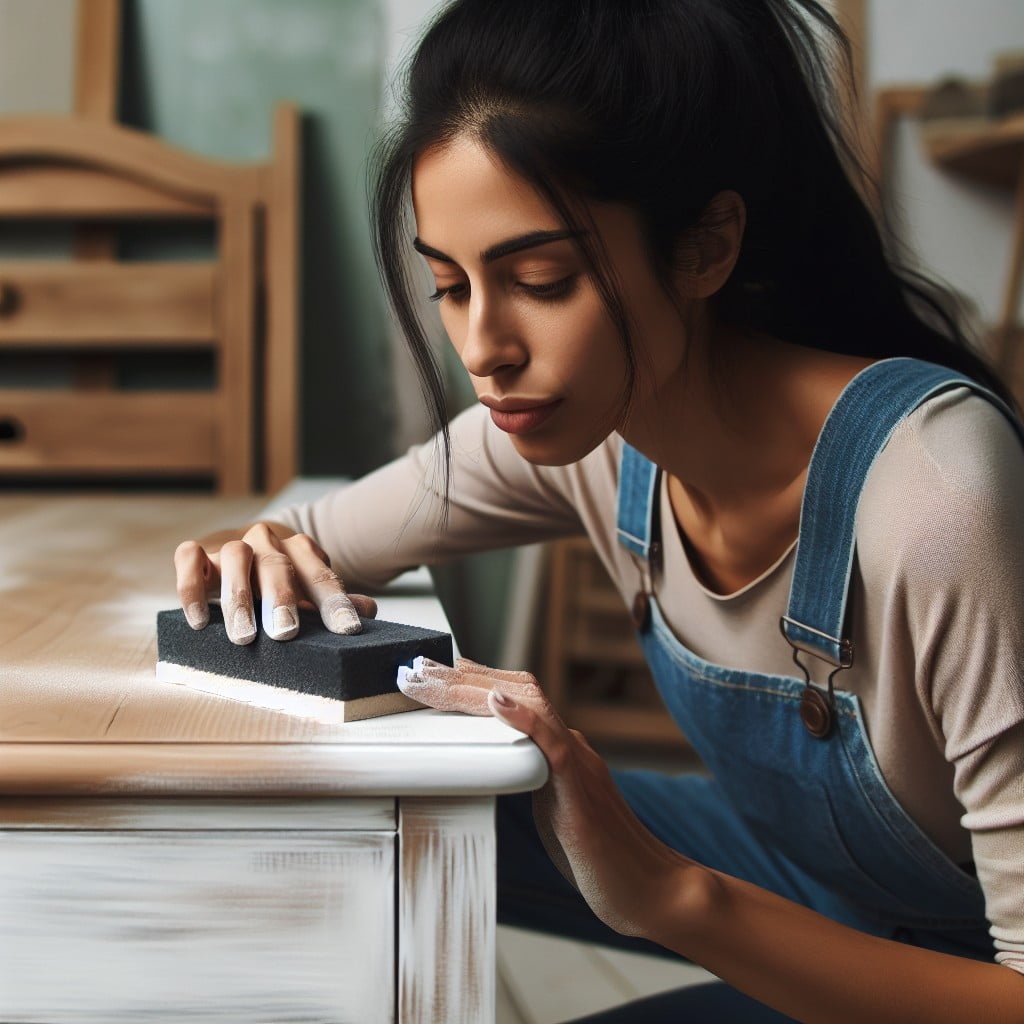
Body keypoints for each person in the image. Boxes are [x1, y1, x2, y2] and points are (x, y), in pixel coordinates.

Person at [173, 1, 1024, 1019]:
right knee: (384, 800)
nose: (484, 345)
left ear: (705, 247)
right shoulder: (576, 428)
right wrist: (258, 557)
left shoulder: (935, 496)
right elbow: (303, 538)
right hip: (801, 868)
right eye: (449, 284)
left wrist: (674, 898)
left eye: (540, 278)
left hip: (952, 969)